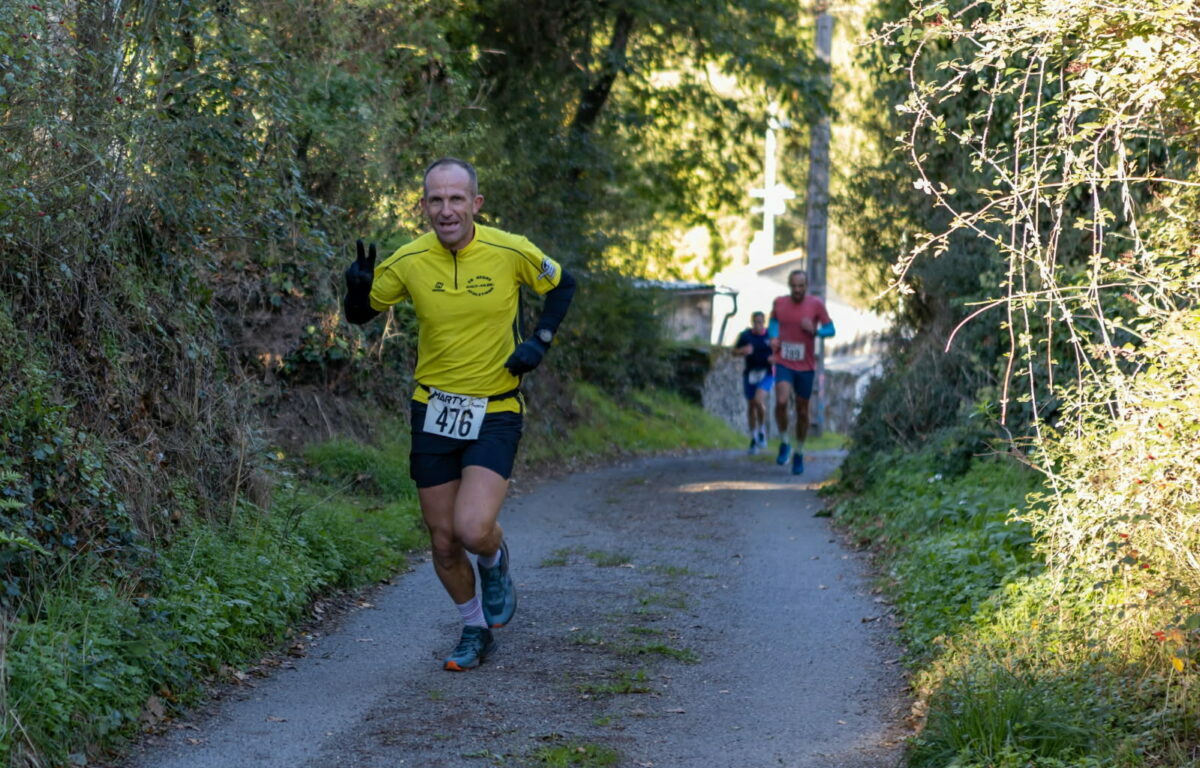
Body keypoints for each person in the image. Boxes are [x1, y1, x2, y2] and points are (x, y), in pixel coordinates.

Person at [342, 157, 576, 671]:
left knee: (472, 529)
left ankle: (494, 559)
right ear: (423, 205)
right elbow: (361, 314)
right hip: (434, 409)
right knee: (443, 539)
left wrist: (539, 340)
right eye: (435, 200)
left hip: (495, 407)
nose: (445, 210)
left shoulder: (509, 250)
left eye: (455, 199)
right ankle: (474, 628)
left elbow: (563, 284)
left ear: (475, 203)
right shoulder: (408, 260)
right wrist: (354, 290)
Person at [768, 270, 833, 475]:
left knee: (803, 412)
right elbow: (773, 323)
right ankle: (785, 442)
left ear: (806, 286)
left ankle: (799, 452)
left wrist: (815, 331)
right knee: (781, 401)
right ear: (789, 286)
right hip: (784, 362)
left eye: (801, 286)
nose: (797, 290)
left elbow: (831, 330)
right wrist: (773, 337)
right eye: (794, 286)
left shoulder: (816, 305)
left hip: (805, 366)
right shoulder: (779, 303)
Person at [732, 311, 774, 454]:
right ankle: (754, 438)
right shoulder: (745, 336)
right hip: (750, 374)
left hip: (767, 373)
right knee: (751, 406)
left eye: (760, 322)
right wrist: (742, 351)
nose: (758, 325)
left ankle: (762, 429)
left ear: (764, 322)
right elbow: (733, 351)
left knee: (758, 400)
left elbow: (780, 351)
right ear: (752, 322)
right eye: (755, 322)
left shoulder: (770, 335)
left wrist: (775, 358)